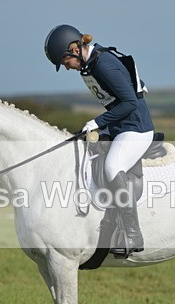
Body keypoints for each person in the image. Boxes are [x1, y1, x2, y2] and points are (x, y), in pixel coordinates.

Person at [44, 24, 155, 256]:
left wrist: (97, 122)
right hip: (120, 127)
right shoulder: (92, 65)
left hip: (136, 128)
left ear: (74, 50)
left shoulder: (103, 64)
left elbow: (130, 103)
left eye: (65, 62)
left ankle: (133, 233)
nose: (67, 68)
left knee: (113, 166)